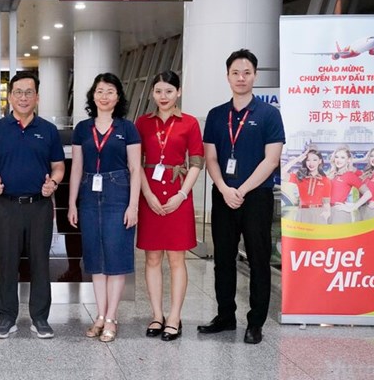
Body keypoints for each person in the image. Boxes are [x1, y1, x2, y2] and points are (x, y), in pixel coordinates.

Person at [199, 49, 285, 345]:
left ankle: (256, 322)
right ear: (227, 76)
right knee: (223, 258)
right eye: (235, 72)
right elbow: (210, 157)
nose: (241, 77)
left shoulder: (269, 114)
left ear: (255, 76)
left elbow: (271, 160)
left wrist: (242, 190)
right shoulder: (216, 115)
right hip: (223, 195)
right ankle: (225, 316)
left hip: (256, 197)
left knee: (259, 259)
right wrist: (224, 188)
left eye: (247, 72)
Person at [0, 71, 65, 339]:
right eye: (18, 92)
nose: (24, 97)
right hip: (6, 206)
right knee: (7, 263)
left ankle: (40, 318)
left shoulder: (48, 131)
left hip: (39, 206)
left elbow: (59, 167)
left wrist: (53, 182)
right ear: (10, 96)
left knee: (41, 262)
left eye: (29, 92)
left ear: (37, 97)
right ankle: (7, 317)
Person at [67, 73, 141, 343]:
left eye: (110, 91)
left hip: (118, 191)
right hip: (88, 192)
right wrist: (72, 202)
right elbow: (76, 167)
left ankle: (111, 317)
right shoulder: (82, 128)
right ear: (93, 95)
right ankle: (99, 315)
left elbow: (135, 168)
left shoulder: (127, 128)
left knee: (116, 256)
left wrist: (133, 205)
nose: (104, 96)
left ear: (118, 97)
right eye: (100, 91)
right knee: (96, 257)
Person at [134, 70, 203, 341]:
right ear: (153, 93)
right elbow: (135, 161)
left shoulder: (189, 123)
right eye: (159, 91)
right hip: (149, 191)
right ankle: (156, 315)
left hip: (178, 193)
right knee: (151, 257)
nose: (163, 97)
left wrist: (182, 195)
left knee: (177, 258)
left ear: (179, 92)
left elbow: (197, 161)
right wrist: (147, 194)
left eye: (169, 91)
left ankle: (174, 316)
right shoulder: (142, 123)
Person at [280, 147, 331, 224]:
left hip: (318, 214)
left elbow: (326, 203)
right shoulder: (300, 177)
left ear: (320, 161)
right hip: (302, 214)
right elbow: (281, 174)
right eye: (308, 160)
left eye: (314, 160)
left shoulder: (325, 180)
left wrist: (327, 214)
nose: (311, 163)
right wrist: (298, 159)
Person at [328, 145, 370, 224]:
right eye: (337, 157)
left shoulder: (350, 175)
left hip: (340, 213)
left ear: (348, 160)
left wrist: (352, 208)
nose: (338, 160)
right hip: (327, 212)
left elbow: (368, 194)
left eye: (342, 158)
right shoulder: (332, 174)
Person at [359, 146, 374, 220]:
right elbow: (347, 164)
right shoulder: (365, 174)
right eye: (371, 156)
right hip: (361, 210)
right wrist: (363, 159)